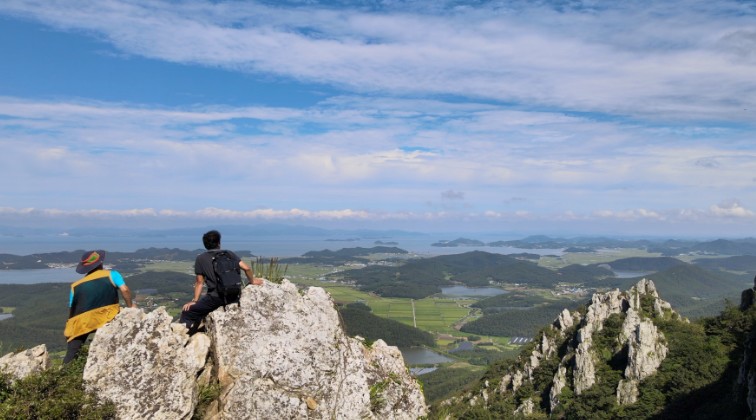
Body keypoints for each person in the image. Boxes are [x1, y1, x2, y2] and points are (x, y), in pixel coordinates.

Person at [179, 230, 262, 333]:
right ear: (219, 243)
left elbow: (200, 282)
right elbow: (247, 268)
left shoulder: (201, 258)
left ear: (205, 245)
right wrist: (252, 281)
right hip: (234, 295)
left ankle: (182, 336)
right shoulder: (229, 254)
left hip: (215, 298)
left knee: (188, 312)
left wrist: (195, 301)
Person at [63, 250, 136, 364]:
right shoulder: (112, 274)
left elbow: (71, 308)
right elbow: (125, 290)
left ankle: (62, 376)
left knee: (71, 353)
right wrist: (131, 307)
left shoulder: (75, 286)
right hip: (107, 316)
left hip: (82, 322)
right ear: (100, 263)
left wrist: (71, 327)